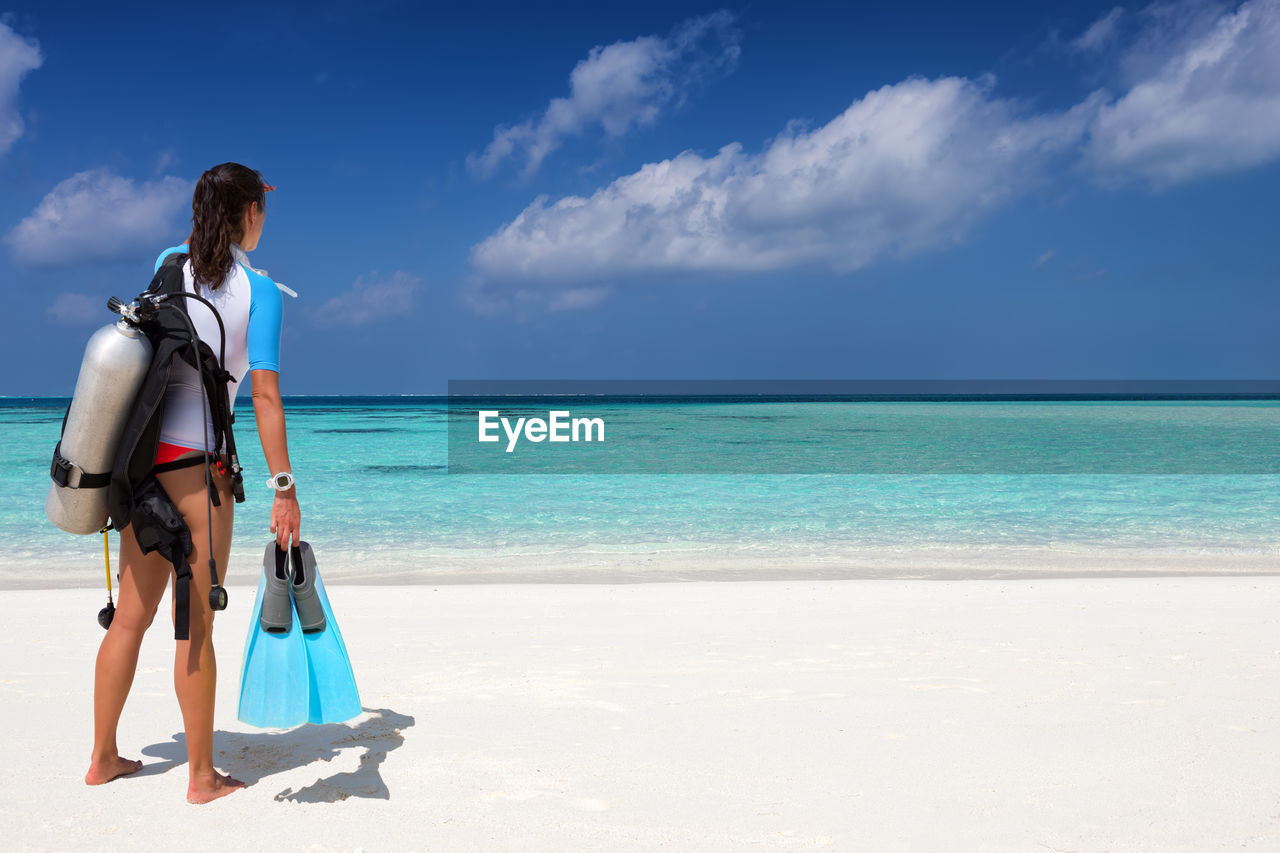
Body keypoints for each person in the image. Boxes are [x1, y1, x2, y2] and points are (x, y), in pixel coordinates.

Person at [83, 163, 300, 804]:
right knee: (196, 625)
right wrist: (283, 487)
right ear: (251, 215)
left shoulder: (167, 264)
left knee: (130, 616)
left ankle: (102, 758)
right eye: (262, 209)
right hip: (200, 473)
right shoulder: (260, 294)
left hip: (143, 466)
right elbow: (263, 396)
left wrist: (237, 191)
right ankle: (202, 777)